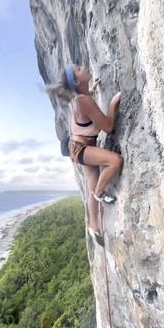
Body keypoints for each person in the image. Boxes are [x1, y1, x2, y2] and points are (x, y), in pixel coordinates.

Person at [46, 64, 123, 246]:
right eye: (79, 68)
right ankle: (100, 192)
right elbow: (109, 127)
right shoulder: (83, 101)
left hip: (78, 147)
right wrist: (113, 104)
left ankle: (93, 226)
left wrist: (93, 89)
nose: (83, 66)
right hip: (82, 149)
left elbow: (87, 98)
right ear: (77, 81)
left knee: (89, 187)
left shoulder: (82, 97)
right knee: (114, 161)